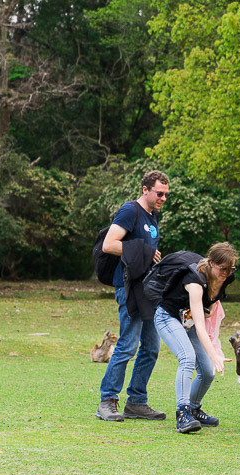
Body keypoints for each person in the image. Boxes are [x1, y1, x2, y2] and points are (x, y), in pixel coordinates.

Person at [96, 170, 170, 422]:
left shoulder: (152, 216)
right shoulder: (130, 211)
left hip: (148, 289)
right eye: (159, 193)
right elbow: (109, 244)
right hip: (128, 288)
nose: (163, 198)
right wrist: (145, 251)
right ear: (145, 189)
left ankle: (137, 401)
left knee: (151, 346)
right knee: (128, 344)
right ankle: (107, 400)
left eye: (166, 195)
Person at [154, 243, 238, 433]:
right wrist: (214, 354)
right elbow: (200, 326)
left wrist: (208, 312)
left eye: (230, 269)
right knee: (187, 358)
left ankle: (193, 408)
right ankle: (182, 413)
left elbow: (209, 309)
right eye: (222, 269)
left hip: (187, 320)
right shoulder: (194, 281)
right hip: (167, 317)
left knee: (207, 372)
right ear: (211, 263)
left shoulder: (226, 277)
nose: (226, 273)